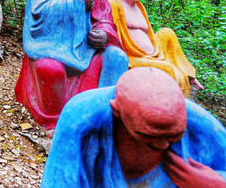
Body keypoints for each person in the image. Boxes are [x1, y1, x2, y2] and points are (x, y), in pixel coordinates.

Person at [14, 0, 128, 129]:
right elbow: (38, 12)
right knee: (50, 70)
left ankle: (103, 115)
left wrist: (103, 33)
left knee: (117, 57)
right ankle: (55, 122)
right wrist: (76, 3)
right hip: (49, 47)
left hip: (84, 48)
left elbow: (103, 16)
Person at [42, 67, 226, 187]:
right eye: (149, 136)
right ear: (116, 110)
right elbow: (58, 181)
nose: (163, 145)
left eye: (174, 136)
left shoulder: (198, 122)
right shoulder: (82, 116)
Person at [109, 0, 203, 97]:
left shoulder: (139, 6)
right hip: (132, 57)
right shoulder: (112, 3)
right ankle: (176, 107)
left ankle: (189, 74)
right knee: (171, 71)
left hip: (153, 53)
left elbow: (150, 35)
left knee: (167, 32)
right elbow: (110, 35)